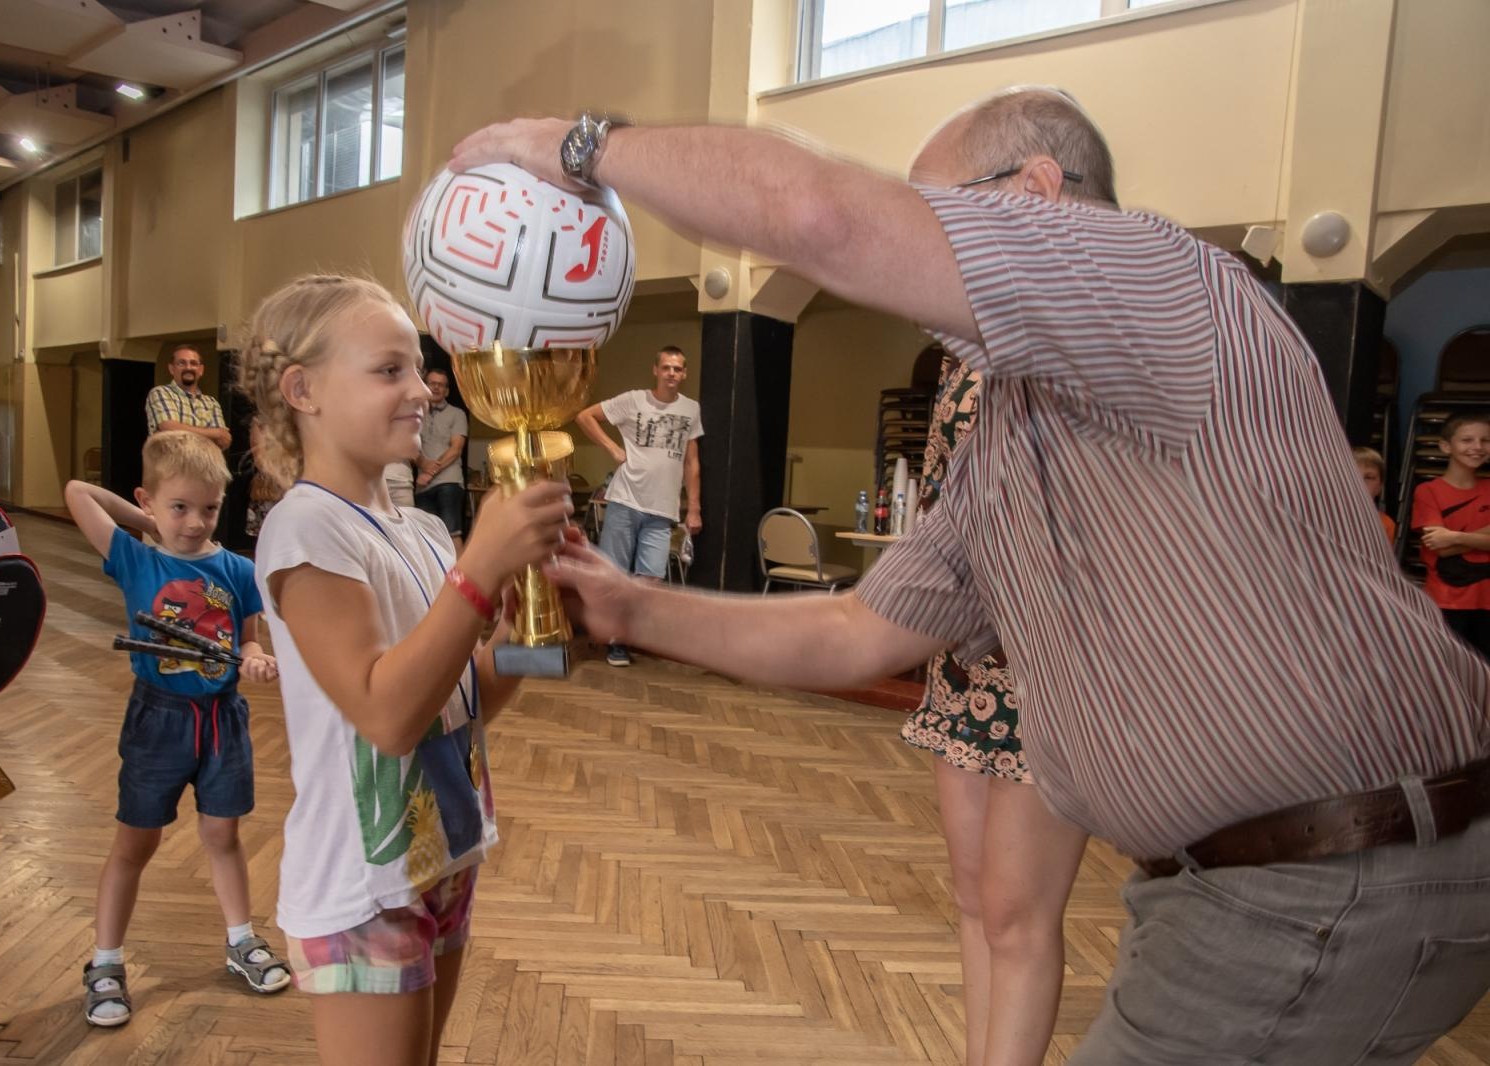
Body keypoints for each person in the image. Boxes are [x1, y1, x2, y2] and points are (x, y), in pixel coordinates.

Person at [454, 91, 1490, 1064]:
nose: (918, 268)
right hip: (1291, 882)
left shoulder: (1154, 273)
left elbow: (820, 216)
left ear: (1037, 195)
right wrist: (626, 603)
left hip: (1322, 880)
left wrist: (576, 146)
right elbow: (859, 629)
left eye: (937, 211)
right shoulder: (1007, 435)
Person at [235, 274, 570, 1066]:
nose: (421, 390)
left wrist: (535, 628)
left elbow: (459, 699)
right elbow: (386, 714)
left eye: (417, 369)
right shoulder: (303, 527)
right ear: (302, 390)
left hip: (442, 849)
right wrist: (482, 568)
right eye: (390, 371)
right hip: (362, 881)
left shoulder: (420, 529)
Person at [64, 432, 288, 1029]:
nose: (194, 523)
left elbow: (246, 637)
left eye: (208, 509)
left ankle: (240, 939)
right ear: (148, 500)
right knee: (135, 844)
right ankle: (105, 961)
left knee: (223, 835)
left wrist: (257, 655)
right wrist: (151, 522)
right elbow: (77, 490)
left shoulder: (238, 568)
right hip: (156, 719)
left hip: (222, 720)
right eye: (179, 507)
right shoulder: (136, 557)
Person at [902, 356, 1086, 1066]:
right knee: (975, 898)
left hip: (1047, 652)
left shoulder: (1059, 345)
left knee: (1019, 915)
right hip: (963, 651)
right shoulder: (954, 362)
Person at [574, 346, 702, 667]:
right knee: (613, 573)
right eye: (667, 368)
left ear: (684, 374)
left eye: (678, 369)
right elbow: (584, 416)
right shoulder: (633, 400)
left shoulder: (691, 409)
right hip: (625, 500)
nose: (672, 373)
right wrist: (614, 449)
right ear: (655, 370)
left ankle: (625, 632)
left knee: (650, 578)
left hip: (663, 509)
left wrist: (694, 508)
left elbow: (692, 463)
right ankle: (614, 638)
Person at [1413, 414, 1490, 658]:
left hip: (1487, 602)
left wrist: (1454, 536)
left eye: (1485, 440)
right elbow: (1440, 547)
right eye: (1467, 440)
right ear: (1446, 446)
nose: (1477, 447)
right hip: (1447, 600)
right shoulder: (1428, 491)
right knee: (1448, 672)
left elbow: (1447, 541)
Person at [413, 368, 469, 549]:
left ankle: (461, 578)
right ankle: (436, 578)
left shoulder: (457, 413)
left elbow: (456, 449)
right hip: (422, 486)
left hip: (449, 482)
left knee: (452, 534)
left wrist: (430, 472)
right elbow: (411, 447)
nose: (436, 388)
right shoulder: (415, 413)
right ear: (425, 385)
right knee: (427, 538)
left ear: (447, 390)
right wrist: (423, 466)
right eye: (432, 383)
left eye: (441, 385)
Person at [145, 344, 232, 451]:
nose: (188, 367)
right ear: (171, 368)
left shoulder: (211, 403)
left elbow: (223, 441)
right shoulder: (160, 393)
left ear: (201, 370)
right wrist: (214, 433)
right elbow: (168, 428)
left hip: (202, 467)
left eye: (193, 363)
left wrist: (180, 431)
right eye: (181, 363)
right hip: (169, 467)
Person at [1352, 445, 1398, 545]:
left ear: (1380, 487)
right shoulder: (1324, 518)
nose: (1360, 482)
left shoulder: (1386, 525)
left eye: (1369, 477)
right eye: (1353, 475)